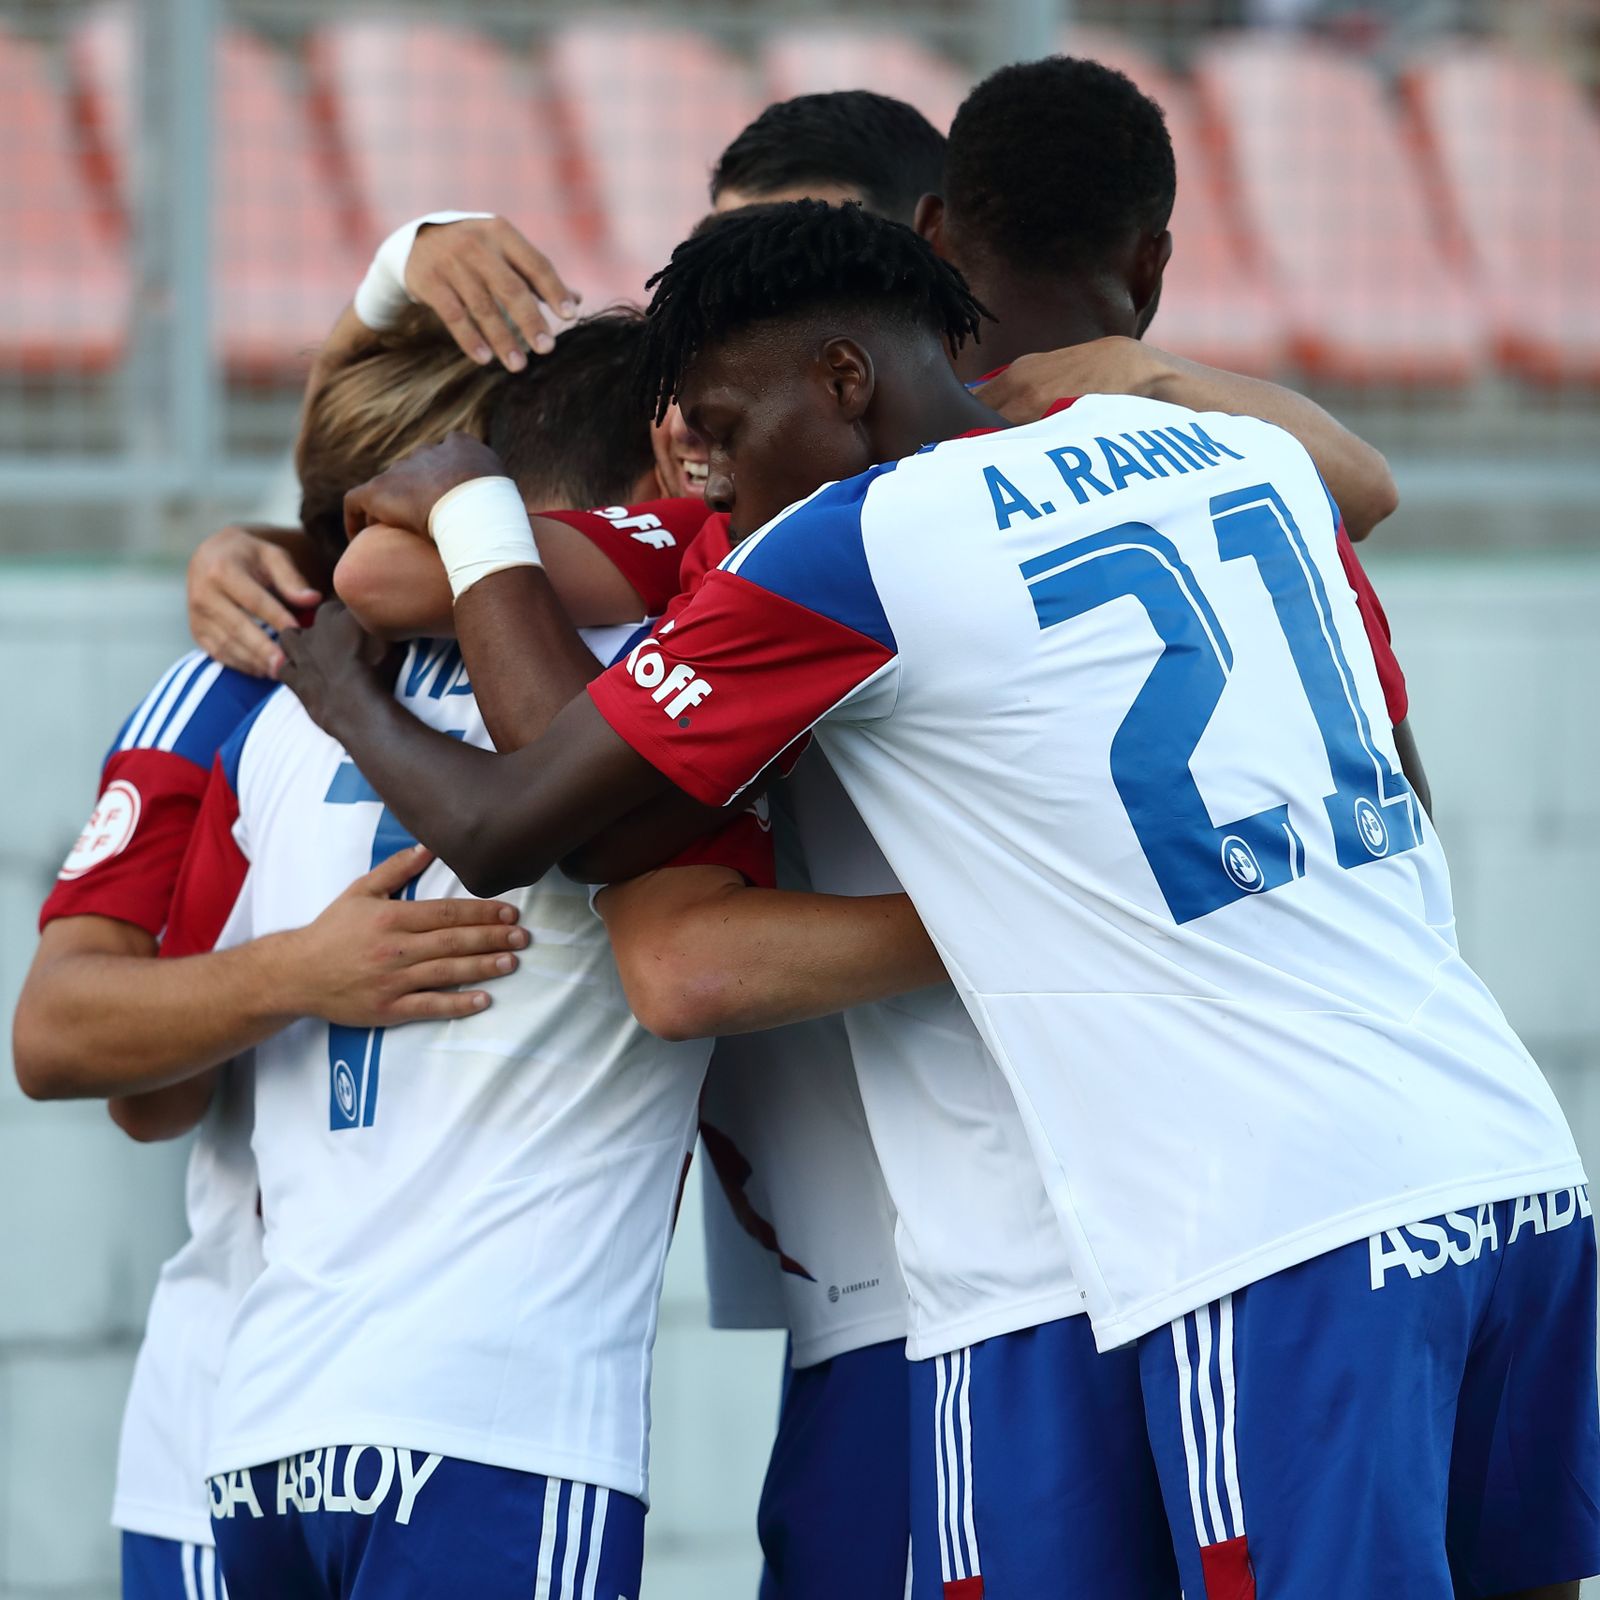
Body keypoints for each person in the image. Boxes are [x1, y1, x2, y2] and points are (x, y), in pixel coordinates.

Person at [282, 199, 1599, 1600]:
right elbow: (1399, 746)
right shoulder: (1243, 450)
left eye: (725, 426)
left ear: (843, 378)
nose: (711, 483)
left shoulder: (855, 542)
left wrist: (349, 691)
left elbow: (523, 821)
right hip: (1508, 1166)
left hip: (1271, 1233)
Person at [145, 298, 952, 1600]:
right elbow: (684, 967)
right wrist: (1019, 924)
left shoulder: (285, 710)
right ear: (663, 452)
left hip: (260, 1435)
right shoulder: (661, 666)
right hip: (498, 1431)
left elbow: (139, 1091)